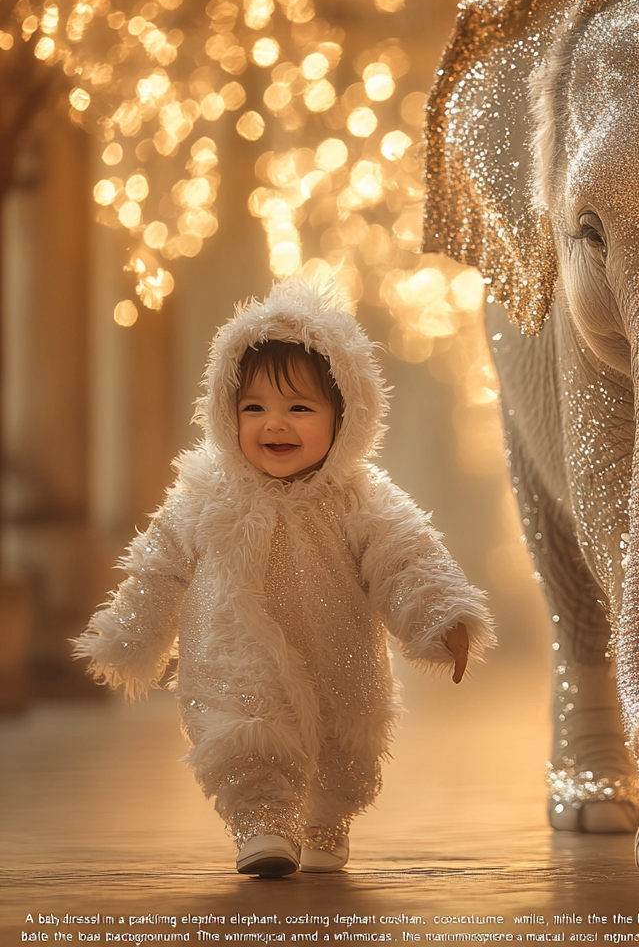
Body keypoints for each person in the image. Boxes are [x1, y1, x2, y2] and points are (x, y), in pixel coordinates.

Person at [72, 281, 495, 876]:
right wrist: (129, 631)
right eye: (254, 408)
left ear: (344, 415)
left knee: (343, 749)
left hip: (337, 658)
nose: (276, 424)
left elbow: (407, 559)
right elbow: (160, 563)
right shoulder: (204, 494)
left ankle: (327, 820)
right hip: (230, 661)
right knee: (243, 734)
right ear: (226, 412)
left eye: (299, 407)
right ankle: (260, 823)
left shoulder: (359, 498)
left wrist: (440, 616)